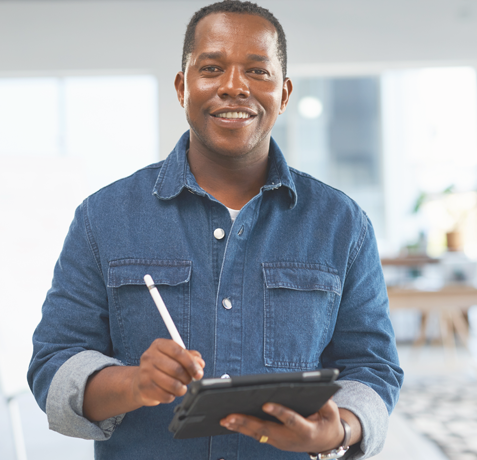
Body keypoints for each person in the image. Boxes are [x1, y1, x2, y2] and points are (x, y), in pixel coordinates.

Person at [27, 1, 403, 459]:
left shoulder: (343, 225)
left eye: (257, 72)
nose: (233, 87)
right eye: (211, 68)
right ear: (183, 87)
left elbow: (372, 367)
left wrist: (339, 429)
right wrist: (134, 383)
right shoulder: (102, 218)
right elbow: (53, 364)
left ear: (283, 95)